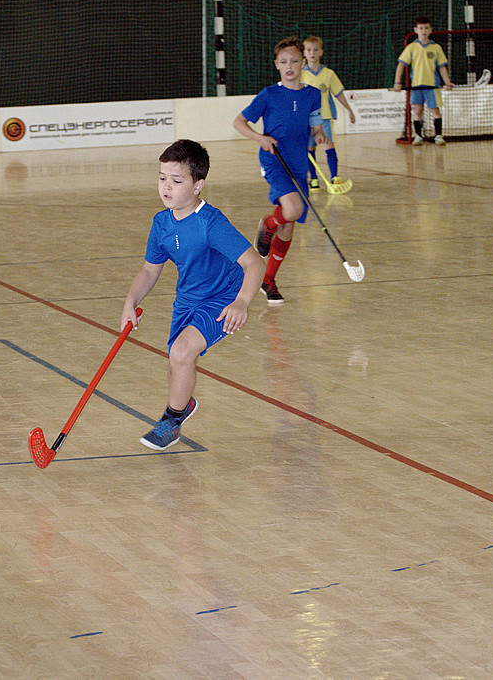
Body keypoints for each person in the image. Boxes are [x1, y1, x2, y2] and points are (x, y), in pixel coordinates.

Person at [121, 139, 264, 451]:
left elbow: (254, 263)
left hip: (223, 297)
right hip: (187, 299)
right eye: (162, 178)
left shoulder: (210, 223)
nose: (166, 187)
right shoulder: (161, 223)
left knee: (183, 352)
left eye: (177, 180)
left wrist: (242, 301)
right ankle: (181, 407)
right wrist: (130, 302)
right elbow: (149, 270)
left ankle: (171, 421)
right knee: (176, 361)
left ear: (198, 185)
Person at [232, 36, 331, 304]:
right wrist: (260, 138)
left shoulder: (312, 95)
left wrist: (320, 135)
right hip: (274, 160)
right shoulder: (269, 95)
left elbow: (315, 124)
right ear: (276, 64)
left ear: (304, 63)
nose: (289, 66)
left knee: (288, 229)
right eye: (284, 62)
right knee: (292, 210)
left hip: (299, 164)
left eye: (295, 61)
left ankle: (268, 280)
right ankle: (267, 223)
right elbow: (239, 122)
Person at [302, 36, 356, 191]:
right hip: (307, 119)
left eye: (316, 49)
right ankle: (313, 178)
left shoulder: (329, 73)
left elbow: (338, 93)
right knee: (310, 149)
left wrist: (349, 110)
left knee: (328, 145)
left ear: (321, 52)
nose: (312, 53)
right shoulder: (301, 75)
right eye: (309, 50)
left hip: (325, 117)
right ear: (304, 53)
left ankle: (334, 177)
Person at [392, 16, 453, 145]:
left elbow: (442, 67)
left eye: (426, 28)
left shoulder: (436, 48)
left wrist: (447, 82)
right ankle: (418, 136)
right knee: (418, 111)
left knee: (435, 111)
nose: (423, 31)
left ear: (431, 30)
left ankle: (438, 136)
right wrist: (397, 82)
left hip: (432, 85)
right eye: (421, 28)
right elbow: (401, 65)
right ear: (416, 30)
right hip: (416, 86)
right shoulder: (411, 48)